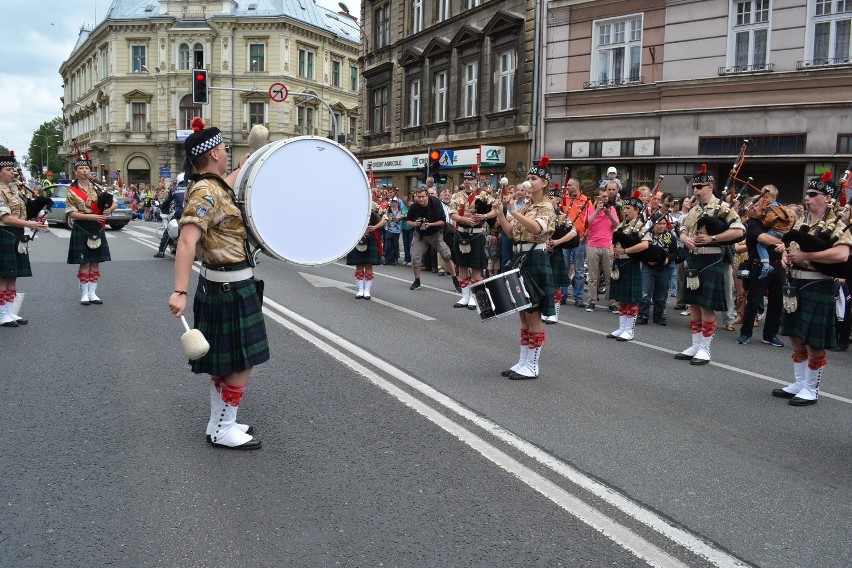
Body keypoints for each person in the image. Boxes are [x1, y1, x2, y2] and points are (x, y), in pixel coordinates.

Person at [168, 117, 266, 449]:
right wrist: (179, 290)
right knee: (240, 362)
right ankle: (225, 427)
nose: (227, 153)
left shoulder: (212, 184)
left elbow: (228, 179)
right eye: (224, 149)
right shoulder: (207, 191)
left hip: (224, 286)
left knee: (224, 361)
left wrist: (246, 163)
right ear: (212, 154)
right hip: (229, 288)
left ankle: (220, 423)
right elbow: (186, 241)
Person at [774, 172, 851, 406]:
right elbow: (791, 246)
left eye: (813, 194)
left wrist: (808, 255)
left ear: (827, 198)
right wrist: (786, 257)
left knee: (813, 341)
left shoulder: (836, 224)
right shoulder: (801, 222)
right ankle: (799, 382)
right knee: (796, 336)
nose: (807, 198)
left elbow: (842, 254)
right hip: (796, 282)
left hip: (818, 283)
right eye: (806, 194)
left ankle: (811, 389)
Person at [493, 157, 556, 379]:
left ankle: (533, 366)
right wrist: (501, 214)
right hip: (521, 258)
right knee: (523, 315)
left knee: (534, 315)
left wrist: (515, 211)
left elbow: (538, 229)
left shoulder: (546, 206)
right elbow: (512, 234)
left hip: (535, 259)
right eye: (528, 178)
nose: (529, 182)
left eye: (533, 179)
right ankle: (523, 361)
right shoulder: (527, 206)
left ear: (544, 183)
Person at [675, 164, 745, 365]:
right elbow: (683, 229)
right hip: (693, 258)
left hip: (712, 258)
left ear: (711, 187)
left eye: (700, 187)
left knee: (707, 306)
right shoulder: (694, 209)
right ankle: (695, 345)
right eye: (694, 187)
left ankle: (705, 349)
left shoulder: (724, 208)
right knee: (694, 304)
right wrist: (684, 238)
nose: (695, 191)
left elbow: (739, 231)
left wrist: (713, 238)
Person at [0, 151, 48, 326]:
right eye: (8, 170)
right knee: (3, 276)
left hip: (17, 234)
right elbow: (4, 218)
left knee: (13, 276)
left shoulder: (14, 190)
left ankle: (8, 311)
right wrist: (30, 224)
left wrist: (36, 217)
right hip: (4, 234)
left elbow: (24, 212)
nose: (12, 172)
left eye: (13, 169)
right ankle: (1, 314)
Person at [66, 151, 118, 306]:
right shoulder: (72, 190)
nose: (84, 171)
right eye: (81, 169)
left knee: (95, 262)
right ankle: (84, 293)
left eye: (86, 169)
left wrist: (110, 209)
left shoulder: (97, 187)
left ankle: (92, 292)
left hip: (97, 226)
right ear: (76, 171)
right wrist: (92, 216)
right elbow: (71, 213)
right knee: (85, 262)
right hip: (82, 226)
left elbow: (113, 201)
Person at [736, 187, 786, 347]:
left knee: (777, 302)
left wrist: (785, 244)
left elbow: (790, 237)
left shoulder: (775, 222)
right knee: (754, 301)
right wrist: (781, 241)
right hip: (758, 265)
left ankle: (770, 335)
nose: (758, 208)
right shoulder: (752, 224)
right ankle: (746, 333)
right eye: (754, 206)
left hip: (778, 266)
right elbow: (763, 238)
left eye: (760, 205)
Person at [449, 167, 496, 308]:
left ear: (476, 180)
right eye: (465, 178)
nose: (467, 181)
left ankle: (474, 298)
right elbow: (452, 214)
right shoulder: (458, 196)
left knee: (475, 268)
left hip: (476, 234)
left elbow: (497, 209)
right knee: (462, 266)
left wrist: (485, 216)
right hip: (461, 232)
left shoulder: (483, 195)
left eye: (470, 179)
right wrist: (464, 219)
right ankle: (465, 296)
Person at [607, 194, 645, 341]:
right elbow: (613, 239)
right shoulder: (621, 225)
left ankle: (629, 330)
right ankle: (622, 327)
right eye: (625, 208)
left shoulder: (641, 225)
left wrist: (625, 251)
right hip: (619, 262)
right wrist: (611, 250)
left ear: (637, 210)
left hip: (630, 262)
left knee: (631, 299)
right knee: (622, 299)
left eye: (628, 208)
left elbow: (644, 245)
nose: (625, 211)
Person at [406, 187, 454, 291]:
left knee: (446, 254)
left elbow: (443, 221)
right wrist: (416, 223)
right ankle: (417, 281)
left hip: (435, 233)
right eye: (418, 197)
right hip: (420, 235)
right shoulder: (414, 206)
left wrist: (430, 224)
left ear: (427, 196)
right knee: (414, 258)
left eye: (423, 196)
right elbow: (408, 222)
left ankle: (455, 280)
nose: (421, 199)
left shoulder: (435, 202)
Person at [543, 183, 578, 324]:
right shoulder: (542, 214)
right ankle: (546, 311)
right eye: (548, 198)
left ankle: (554, 314)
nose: (549, 200)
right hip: (542, 252)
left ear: (558, 200)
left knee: (555, 285)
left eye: (551, 198)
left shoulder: (562, 217)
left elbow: (574, 232)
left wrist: (557, 242)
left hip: (556, 252)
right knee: (543, 284)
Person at [585, 184, 619, 312]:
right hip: (593, 245)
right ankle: (592, 301)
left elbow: (616, 225)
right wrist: (597, 211)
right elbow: (587, 223)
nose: (606, 198)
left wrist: (609, 214)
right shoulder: (590, 209)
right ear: (596, 198)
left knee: (610, 275)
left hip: (607, 245)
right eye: (603, 196)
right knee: (593, 276)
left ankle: (611, 302)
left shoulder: (612, 209)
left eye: (607, 196)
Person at [347, 201, 386, 299]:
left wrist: (374, 227)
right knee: (359, 265)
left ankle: (367, 290)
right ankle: (360, 290)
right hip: (358, 238)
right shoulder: (354, 207)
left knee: (368, 264)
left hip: (371, 238)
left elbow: (385, 219)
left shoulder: (375, 206)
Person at [561, 177, 590, 308]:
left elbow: (590, 220)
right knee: (564, 267)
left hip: (579, 240)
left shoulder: (586, 201)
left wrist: (585, 235)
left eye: (569, 185)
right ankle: (562, 295)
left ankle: (578, 297)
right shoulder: (565, 199)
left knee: (579, 270)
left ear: (576, 187)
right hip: (565, 238)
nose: (567, 186)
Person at [154, 172, 187, 258]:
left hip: (179, 213)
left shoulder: (175, 189)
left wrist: (163, 208)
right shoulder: (192, 188)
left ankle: (161, 251)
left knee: (168, 230)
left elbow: (167, 202)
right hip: (192, 214)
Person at [383, 196, 403, 265]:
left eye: (395, 202)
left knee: (395, 245)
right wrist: (388, 211)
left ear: (397, 203)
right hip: (388, 229)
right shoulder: (388, 210)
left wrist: (393, 212)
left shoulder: (399, 210)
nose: (393, 204)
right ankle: (387, 259)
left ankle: (395, 259)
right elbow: (386, 218)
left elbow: (397, 219)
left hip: (396, 230)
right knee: (388, 245)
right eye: (392, 202)